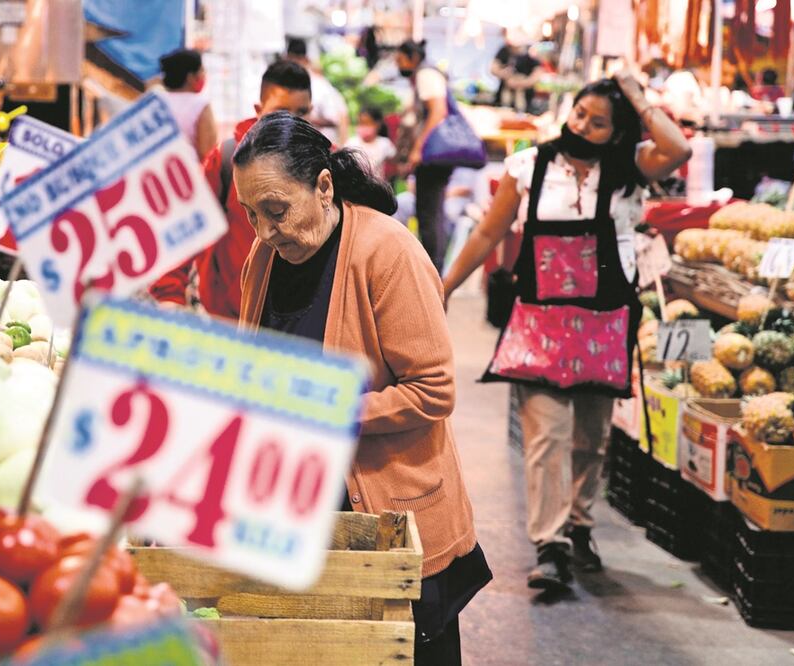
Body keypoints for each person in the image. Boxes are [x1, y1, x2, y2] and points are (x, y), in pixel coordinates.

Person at [235, 112, 491, 665]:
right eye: (251, 214)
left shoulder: (387, 252)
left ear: (323, 186)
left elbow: (433, 389)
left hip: (389, 520)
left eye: (276, 211)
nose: (264, 231)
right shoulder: (264, 257)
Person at [443, 74, 691, 590]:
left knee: (590, 441)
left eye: (598, 123)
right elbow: (490, 231)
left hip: (604, 325)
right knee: (547, 438)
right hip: (540, 324)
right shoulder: (529, 168)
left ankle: (579, 523)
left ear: (618, 132)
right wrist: (443, 287)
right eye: (579, 113)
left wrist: (640, 100)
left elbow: (678, 146)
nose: (581, 125)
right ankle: (550, 544)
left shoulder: (629, 172)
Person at [149, 60, 312, 319]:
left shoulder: (324, 165)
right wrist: (170, 295)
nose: (291, 123)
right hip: (230, 318)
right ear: (259, 110)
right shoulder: (227, 159)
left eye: (301, 113)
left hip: (298, 323)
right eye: (280, 111)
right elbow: (189, 224)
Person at [395, 39, 454, 275]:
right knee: (428, 212)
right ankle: (431, 271)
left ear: (412, 58)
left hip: (433, 157)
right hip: (433, 157)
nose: (398, 65)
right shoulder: (424, 75)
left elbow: (438, 111)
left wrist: (418, 147)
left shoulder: (425, 75)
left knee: (429, 215)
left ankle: (432, 273)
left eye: (400, 60)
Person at [157, 48, 218, 160]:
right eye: (202, 71)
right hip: (189, 173)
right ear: (190, 77)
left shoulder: (157, 101)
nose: (204, 75)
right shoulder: (200, 105)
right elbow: (207, 153)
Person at [286, 37, 349, 145]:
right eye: (290, 60)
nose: (293, 66)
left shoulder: (319, 85)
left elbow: (337, 119)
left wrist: (304, 120)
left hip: (321, 145)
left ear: (305, 60)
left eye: (296, 60)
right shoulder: (288, 84)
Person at [344, 106, 396, 177]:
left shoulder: (384, 143)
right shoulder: (351, 143)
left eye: (367, 123)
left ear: (378, 124)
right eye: (361, 123)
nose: (363, 126)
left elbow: (394, 161)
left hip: (377, 184)